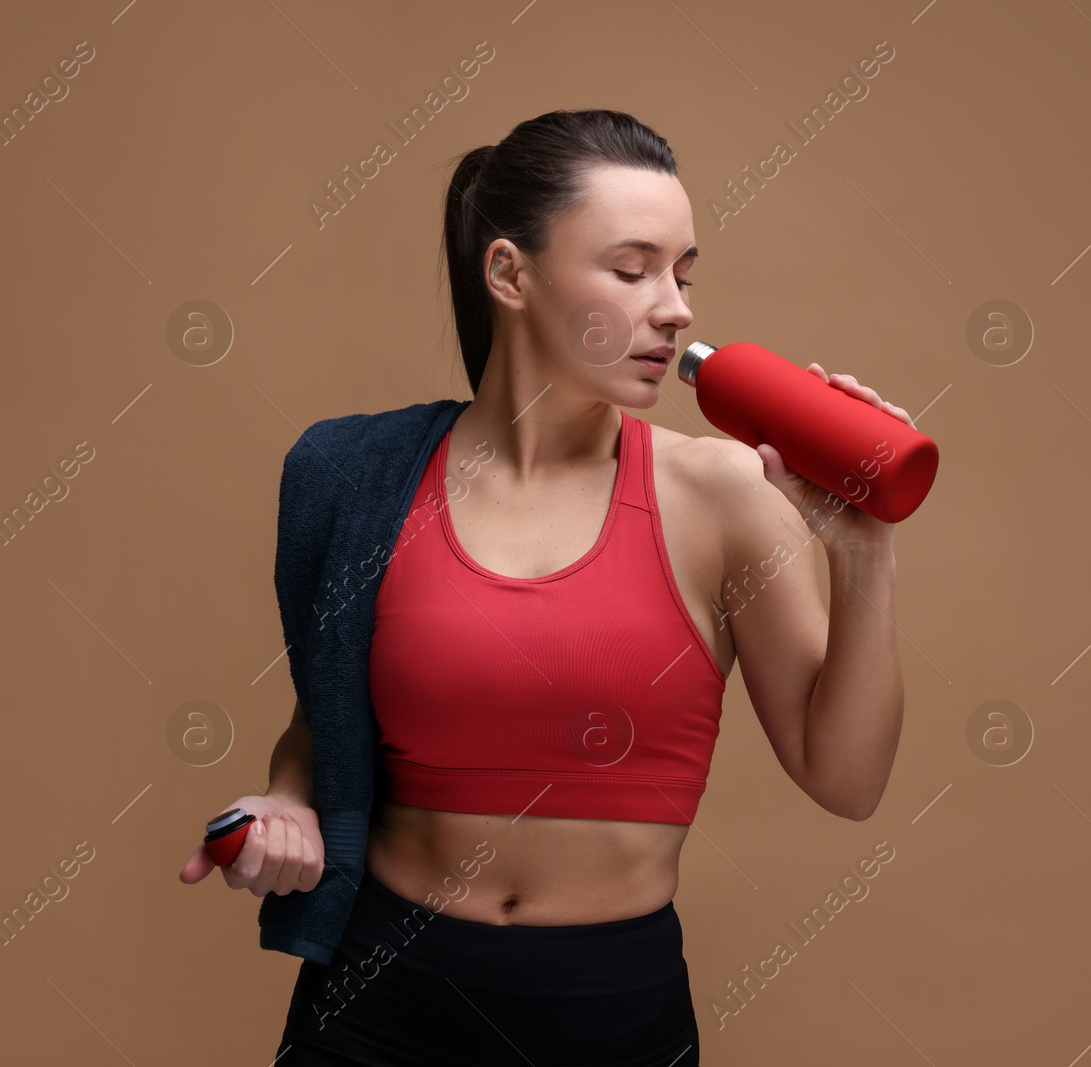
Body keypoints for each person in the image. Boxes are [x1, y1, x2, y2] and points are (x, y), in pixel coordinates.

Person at [177, 110, 912, 1064]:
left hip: (610, 1014)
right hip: (376, 1003)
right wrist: (282, 801)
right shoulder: (354, 475)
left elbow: (847, 780)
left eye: (684, 274)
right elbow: (327, 726)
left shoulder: (724, 496)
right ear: (509, 274)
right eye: (633, 268)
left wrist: (864, 554)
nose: (677, 307)